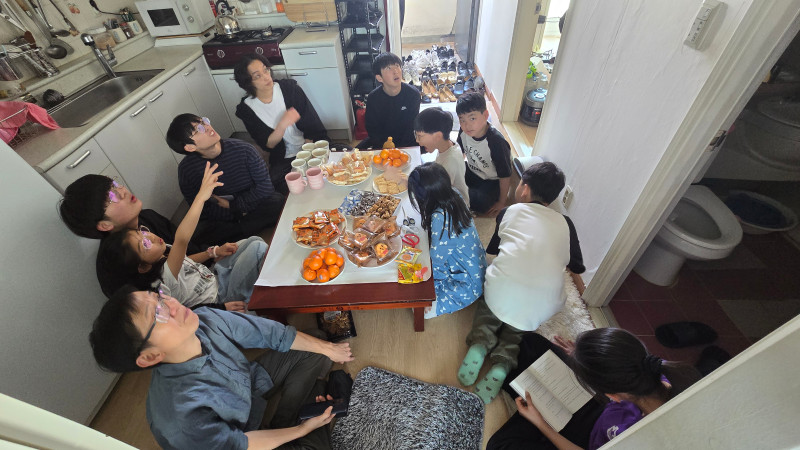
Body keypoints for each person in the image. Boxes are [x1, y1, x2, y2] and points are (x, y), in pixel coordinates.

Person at [89, 285, 355, 449]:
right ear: (149, 357)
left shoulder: (203, 318)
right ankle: (300, 423)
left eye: (158, 296)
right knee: (312, 440)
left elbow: (268, 333)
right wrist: (302, 430)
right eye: (158, 314)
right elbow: (237, 445)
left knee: (317, 345)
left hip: (249, 388)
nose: (172, 304)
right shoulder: (179, 416)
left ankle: (286, 422)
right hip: (238, 437)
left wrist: (328, 349)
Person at [459, 162, 585, 404]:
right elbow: (576, 267)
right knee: (518, 329)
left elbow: (494, 250)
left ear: (524, 189)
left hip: (503, 293)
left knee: (491, 306)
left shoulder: (509, 212)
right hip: (541, 306)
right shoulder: (566, 224)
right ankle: (502, 365)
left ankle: (479, 345)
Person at [487, 329, 700, 450]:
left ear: (611, 395)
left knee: (500, 446)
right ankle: (539, 409)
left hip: (586, 443)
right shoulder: (654, 370)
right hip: (603, 414)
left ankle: (538, 416)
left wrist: (541, 423)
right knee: (530, 342)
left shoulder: (640, 442)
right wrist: (581, 357)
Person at [98, 162, 266, 311]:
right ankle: (249, 303)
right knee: (257, 249)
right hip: (220, 299)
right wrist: (201, 197)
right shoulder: (163, 279)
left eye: (142, 232)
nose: (151, 237)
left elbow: (185, 260)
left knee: (253, 241)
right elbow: (182, 239)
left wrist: (213, 252)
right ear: (143, 267)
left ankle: (253, 289)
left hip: (214, 276)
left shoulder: (159, 253)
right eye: (145, 244)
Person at [59, 174, 213, 297]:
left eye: (115, 184)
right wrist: (200, 197)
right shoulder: (116, 270)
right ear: (105, 225)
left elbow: (188, 255)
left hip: (206, 274)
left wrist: (213, 254)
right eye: (112, 197)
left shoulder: (148, 217)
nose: (122, 191)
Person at [166, 113, 285, 245]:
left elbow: (265, 187)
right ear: (190, 147)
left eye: (204, 122)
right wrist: (232, 213)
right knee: (199, 237)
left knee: (277, 202)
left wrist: (235, 206)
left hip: (253, 201)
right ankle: (249, 227)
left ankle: (242, 231)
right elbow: (199, 207)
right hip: (224, 214)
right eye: (198, 129)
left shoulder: (244, 149)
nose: (207, 127)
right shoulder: (187, 170)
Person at [233, 53, 329, 195]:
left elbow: (313, 126)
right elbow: (268, 145)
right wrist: (282, 125)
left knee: (331, 168)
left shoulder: (290, 89)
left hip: (311, 147)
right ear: (248, 83)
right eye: (257, 76)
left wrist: (309, 155)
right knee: (282, 187)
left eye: (266, 70)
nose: (266, 77)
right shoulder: (247, 110)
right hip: (284, 158)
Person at [407, 162, 486, 319]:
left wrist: (427, 291)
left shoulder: (440, 218)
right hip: (475, 266)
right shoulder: (453, 193)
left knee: (418, 308)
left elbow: (437, 261)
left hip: (467, 282)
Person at [456, 92, 512, 216]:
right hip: (473, 170)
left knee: (481, 202)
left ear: (485, 115)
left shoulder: (496, 141)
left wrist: (502, 202)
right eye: (462, 120)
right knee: (445, 174)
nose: (467, 125)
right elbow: (459, 153)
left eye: (472, 118)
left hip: (491, 180)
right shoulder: (464, 131)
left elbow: (505, 175)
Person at [358, 52, 421, 149]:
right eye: (388, 68)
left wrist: (398, 151)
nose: (395, 71)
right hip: (382, 141)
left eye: (397, 66)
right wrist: (384, 146)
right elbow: (372, 129)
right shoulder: (373, 98)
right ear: (379, 78)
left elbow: (411, 127)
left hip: (407, 140)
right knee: (353, 152)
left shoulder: (413, 94)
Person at [413, 107, 469, 204]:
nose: (417, 140)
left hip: (455, 206)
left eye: (420, 136)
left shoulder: (450, 162)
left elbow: (436, 193)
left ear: (438, 136)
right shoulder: (448, 144)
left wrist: (410, 182)